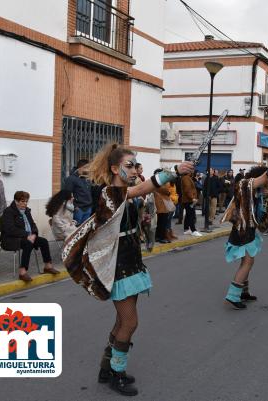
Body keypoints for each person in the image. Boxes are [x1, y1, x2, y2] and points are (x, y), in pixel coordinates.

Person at [62, 144, 194, 396]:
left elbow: (135, 201)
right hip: (118, 266)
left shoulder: (122, 193)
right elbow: (140, 189)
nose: (134, 170)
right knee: (130, 322)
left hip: (131, 261)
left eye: (135, 165)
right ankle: (117, 373)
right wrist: (173, 171)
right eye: (129, 166)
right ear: (114, 168)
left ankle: (107, 368)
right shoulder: (109, 193)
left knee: (123, 320)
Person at [222, 159, 268, 309]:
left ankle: (243, 292)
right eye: (267, 180)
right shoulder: (246, 184)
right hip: (244, 230)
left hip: (248, 229)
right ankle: (233, 295)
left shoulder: (255, 190)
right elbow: (267, 176)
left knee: (246, 261)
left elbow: (264, 208)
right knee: (248, 262)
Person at [1, 191, 59, 282]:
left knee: (43, 241)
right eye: (22, 201)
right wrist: (27, 235)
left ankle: (48, 266)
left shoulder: (27, 211)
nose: (25, 204)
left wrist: (34, 234)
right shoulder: (9, 211)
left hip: (27, 237)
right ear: (16, 201)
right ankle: (22, 272)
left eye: (26, 201)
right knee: (28, 243)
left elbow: (32, 225)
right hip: (10, 239)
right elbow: (10, 229)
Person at [64, 159, 93, 225]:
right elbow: (67, 194)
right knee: (76, 231)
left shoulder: (87, 178)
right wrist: (75, 207)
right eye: (88, 168)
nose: (89, 170)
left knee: (85, 231)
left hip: (88, 209)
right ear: (82, 167)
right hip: (78, 210)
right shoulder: (71, 179)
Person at [181, 171, 202, 237]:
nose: (193, 171)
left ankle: (186, 229)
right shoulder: (186, 178)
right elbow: (187, 189)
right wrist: (192, 198)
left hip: (188, 200)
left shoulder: (187, 177)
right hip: (189, 200)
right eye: (191, 170)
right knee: (191, 215)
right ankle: (193, 230)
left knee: (188, 215)